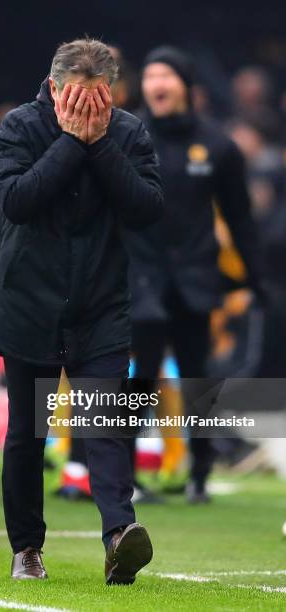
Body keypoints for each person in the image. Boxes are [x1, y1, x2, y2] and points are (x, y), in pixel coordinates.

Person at [0, 38, 163, 583]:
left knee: (102, 423)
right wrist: (69, 142)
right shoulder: (19, 127)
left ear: (113, 92)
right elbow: (17, 201)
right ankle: (27, 549)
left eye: (100, 99)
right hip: (28, 303)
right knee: (26, 434)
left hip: (100, 305)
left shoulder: (128, 131)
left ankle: (118, 539)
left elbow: (148, 209)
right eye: (79, 98)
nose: (89, 110)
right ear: (55, 87)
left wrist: (102, 144)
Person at [129, 46, 262, 503]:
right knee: (139, 378)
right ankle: (122, 474)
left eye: (167, 75)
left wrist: (258, 281)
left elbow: (240, 218)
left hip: (194, 280)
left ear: (185, 86)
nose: (158, 84)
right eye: (150, 76)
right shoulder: (127, 135)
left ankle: (200, 473)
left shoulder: (217, 144)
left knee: (197, 378)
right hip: (141, 278)